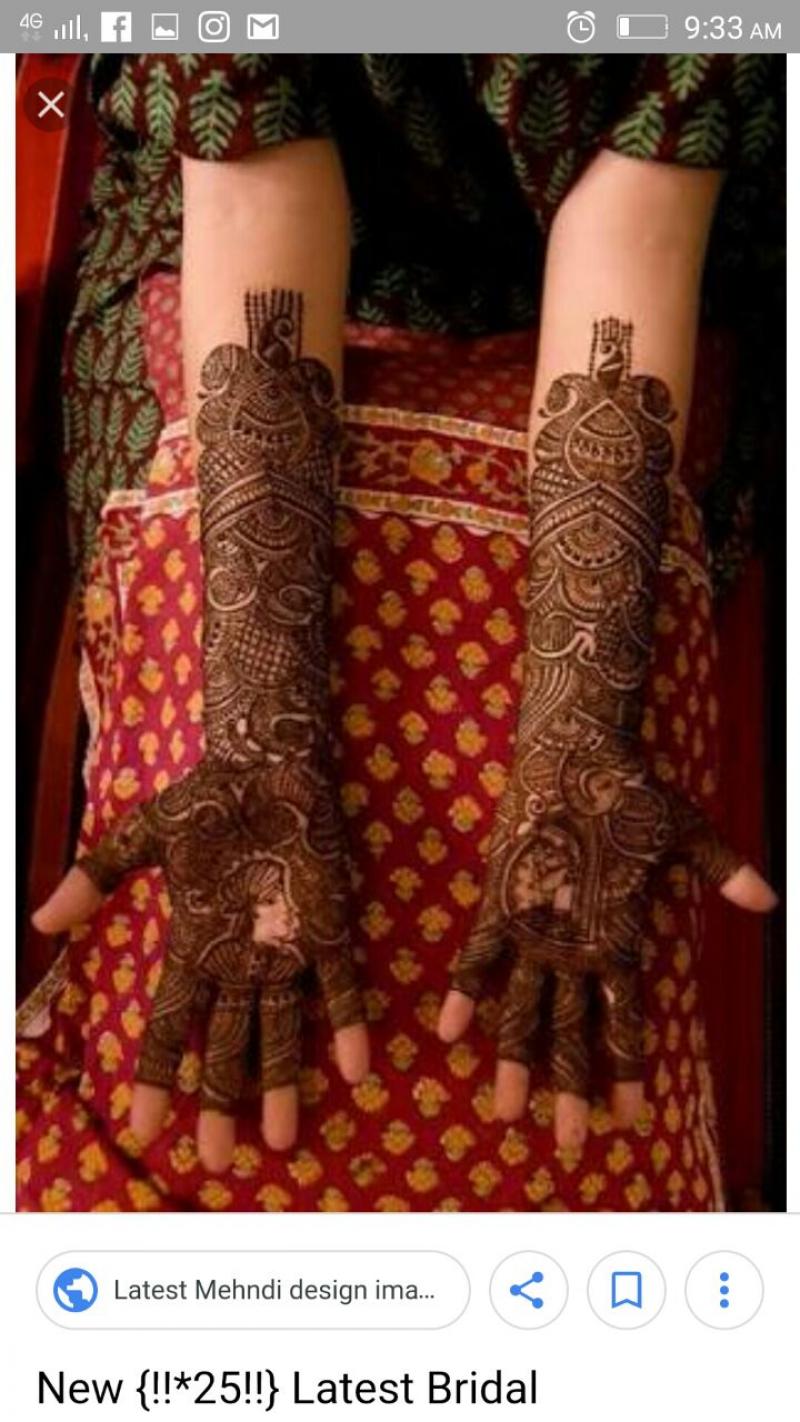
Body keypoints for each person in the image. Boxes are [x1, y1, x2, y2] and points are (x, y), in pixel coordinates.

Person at [23, 54, 781, 1209]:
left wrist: (578, 731)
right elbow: (251, 178)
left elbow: (640, 212)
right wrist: (259, 735)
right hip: (231, 244)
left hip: (638, 280)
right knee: (224, 855)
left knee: (577, 865)